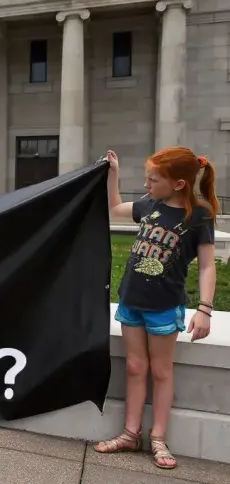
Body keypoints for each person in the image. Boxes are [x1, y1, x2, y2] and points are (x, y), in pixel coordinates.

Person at [95, 147, 217, 469]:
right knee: (135, 367)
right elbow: (115, 208)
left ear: (178, 183)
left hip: (164, 306)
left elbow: (207, 266)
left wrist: (205, 309)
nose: (146, 185)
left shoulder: (199, 216)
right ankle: (130, 434)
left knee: (161, 371)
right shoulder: (150, 205)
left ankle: (159, 437)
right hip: (131, 300)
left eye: (153, 179)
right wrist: (113, 174)